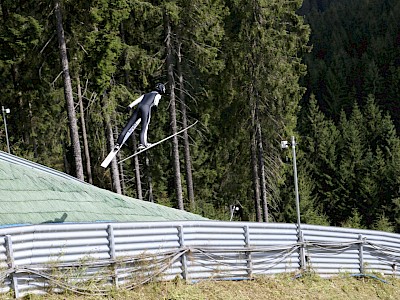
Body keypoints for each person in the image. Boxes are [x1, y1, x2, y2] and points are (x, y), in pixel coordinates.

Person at [114, 83, 166, 151]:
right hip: (146, 109)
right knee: (144, 127)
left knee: (128, 126)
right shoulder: (158, 95)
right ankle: (142, 144)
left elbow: (137, 100)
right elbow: (156, 101)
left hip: (138, 108)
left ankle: (118, 143)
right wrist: (155, 107)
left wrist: (130, 106)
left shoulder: (146, 94)